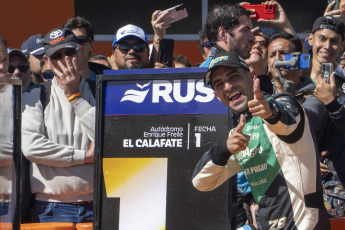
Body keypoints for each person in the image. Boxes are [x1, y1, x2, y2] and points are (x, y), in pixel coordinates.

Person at [192, 51, 330, 229]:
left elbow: (290, 123)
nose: (227, 87)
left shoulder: (283, 102)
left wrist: (271, 112)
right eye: (219, 84)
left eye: (233, 77)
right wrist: (225, 149)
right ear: (217, 95)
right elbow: (201, 182)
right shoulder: (239, 132)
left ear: (251, 76)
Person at [21, 28, 95, 225]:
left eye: (69, 52)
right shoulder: (35, 95)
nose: (64, 59)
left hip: (98, 203)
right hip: (51, 207)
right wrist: (84, 156)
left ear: (80, 53)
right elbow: (31, 147)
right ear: (47, 61)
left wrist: (75, 97)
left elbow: (106, 140)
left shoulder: (100, 90)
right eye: (57, 55)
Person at [199, 3, 255, 67]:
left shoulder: (203, 68)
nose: (252, 38)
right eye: (244, 30)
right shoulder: (232, 68)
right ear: (223, 34)